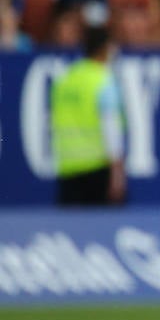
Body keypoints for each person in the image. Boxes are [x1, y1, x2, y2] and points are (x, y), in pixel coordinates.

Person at [50, 23, 126, 206]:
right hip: (97, 169)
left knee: (72, 231)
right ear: (105, 48)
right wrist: (117, 173)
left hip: (67, 168)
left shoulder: (65, 79)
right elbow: (110, 128)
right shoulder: (103, 81)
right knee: (101, 231)